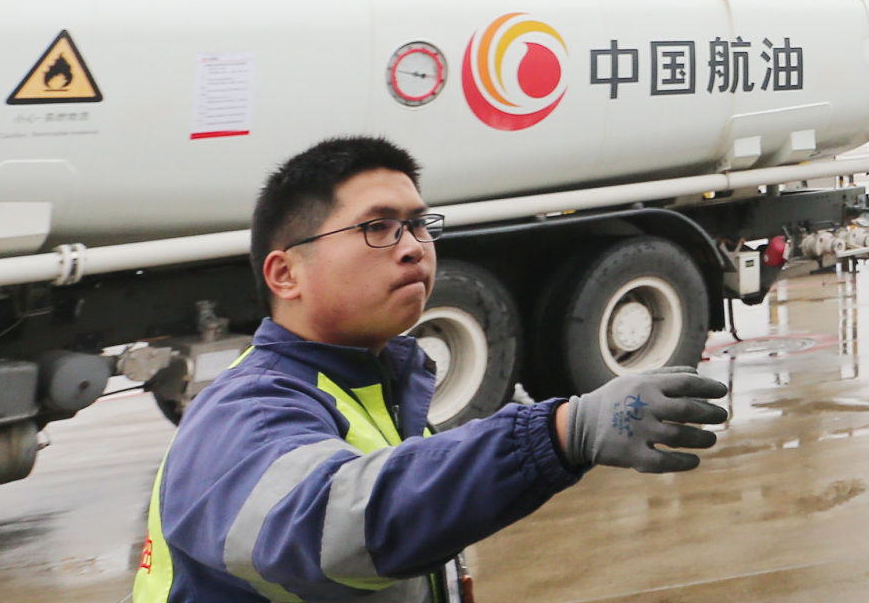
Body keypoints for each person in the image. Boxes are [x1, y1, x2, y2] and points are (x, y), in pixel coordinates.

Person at [135, 136, 730, 602]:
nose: (414, 246)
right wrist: (556, 433)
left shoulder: (382, 386)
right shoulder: (245, 409)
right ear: (285, 274)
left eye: (419, 224)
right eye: (377, 227)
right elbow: (331, 530)